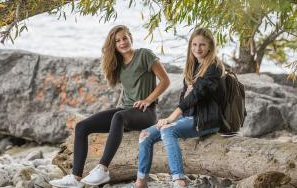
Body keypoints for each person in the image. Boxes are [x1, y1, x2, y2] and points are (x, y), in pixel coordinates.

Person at [49, 25, 170, 188]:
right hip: (125, 112)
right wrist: (116, 111)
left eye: (124, 38)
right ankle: (75, 178)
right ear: (113, 45)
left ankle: (103, 169)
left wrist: (148, 100)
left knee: (118, 117)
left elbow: (165, 80)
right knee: (82, 126)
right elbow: (126, 90)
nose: (122, 43)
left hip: (146, 113)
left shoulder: (144, 55)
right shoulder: (119, 64)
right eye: (117, 41)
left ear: (131, 38)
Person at [135, 27, 226, 188]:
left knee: (168, 129)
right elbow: (186, 96)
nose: (198, 49)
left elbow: (196, 95)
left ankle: (179, 180)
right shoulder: (193, 66)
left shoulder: (214, 67)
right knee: (145, 134)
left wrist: (171, 118)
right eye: (194, 44)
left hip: (206, 120)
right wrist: (190, 91)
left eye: (202, 45)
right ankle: (141, 181)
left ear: (210, 46)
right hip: (188, 117)